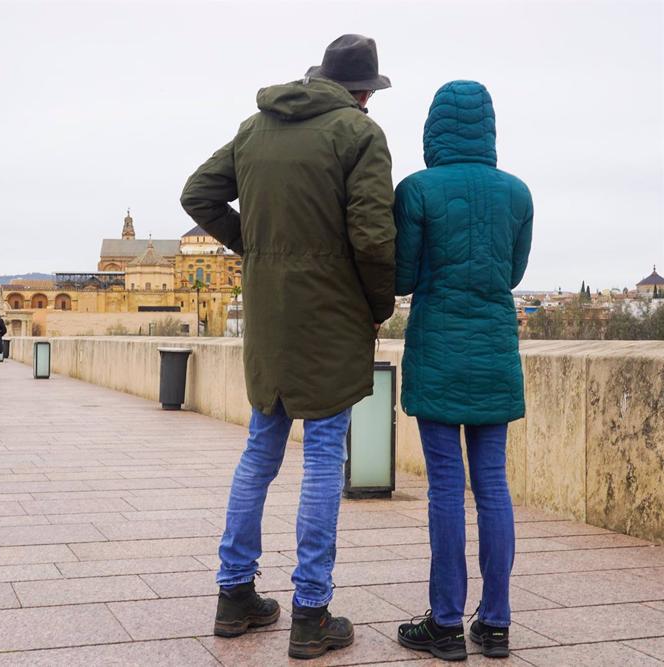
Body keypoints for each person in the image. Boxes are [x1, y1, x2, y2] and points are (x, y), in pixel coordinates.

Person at [180, 34, 395, 660]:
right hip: (330, 314)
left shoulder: (254, 128)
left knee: (260, 451)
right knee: (324, 455)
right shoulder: (359, 135)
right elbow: (374, 237)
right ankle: (311, 612)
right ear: (363, 93)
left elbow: (198, 194)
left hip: (269, 318)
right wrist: (376, 305)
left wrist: (259, 246)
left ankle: (234, 597)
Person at [393, 81, 533, 662]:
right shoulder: (518, 193)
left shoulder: (417, 189)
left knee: (447, 487)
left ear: (434, 129)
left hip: (439, 348)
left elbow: (401, 276)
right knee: (493, 486)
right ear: (490, 127)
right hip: (496, 350)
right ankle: (496, 624)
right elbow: (515, 272)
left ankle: (446, 624)